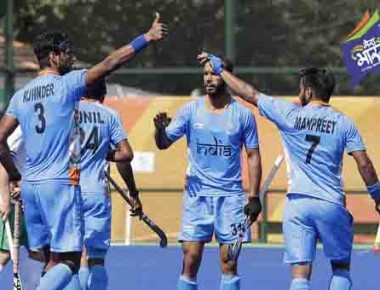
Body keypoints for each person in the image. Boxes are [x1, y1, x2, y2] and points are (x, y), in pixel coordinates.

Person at [0, 12, 167, 290]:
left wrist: (16, 174)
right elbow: (111, 62)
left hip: (31, 188)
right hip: (61, 185)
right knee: (71, 262)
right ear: (53, 56)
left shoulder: (21, 95)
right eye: (66, 51)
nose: (71, 55)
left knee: (52, 259)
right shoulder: (66, 85)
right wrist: (145, 38)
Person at [198, 53, 380, 290]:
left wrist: (221, 71)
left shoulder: (290, 115)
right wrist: (377, 196)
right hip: (331, 204)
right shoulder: (344, 122)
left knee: (300, 275)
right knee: (341, 269)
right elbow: (364, 164)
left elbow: (249, 94)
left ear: (308, 92)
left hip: (297, 206)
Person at [154, 57, 262, 290]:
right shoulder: (190, 110)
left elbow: (253, 156)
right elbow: (163, 143)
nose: (208, 79)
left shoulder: (243, 116)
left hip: (231, 199)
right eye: (205, 74)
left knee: (229, 263)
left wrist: (253, 197)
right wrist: (159, 130)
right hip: (197, 198)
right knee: (190, 260)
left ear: (227, 76)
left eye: (214, 74)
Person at [76, 79, 142, 290]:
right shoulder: (109, 115)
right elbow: (125, 155)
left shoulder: (67, 112)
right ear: (103, 94)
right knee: (96, 258)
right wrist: (133, 193)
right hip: (97, 192)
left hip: (68, 189)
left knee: (72, 257)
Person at [0, 127, 43, 289]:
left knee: (41, 252)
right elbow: (3, 162)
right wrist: (5, 200)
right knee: (4, 253)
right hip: (12, 200)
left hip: (32, 199)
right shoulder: (21, 129)